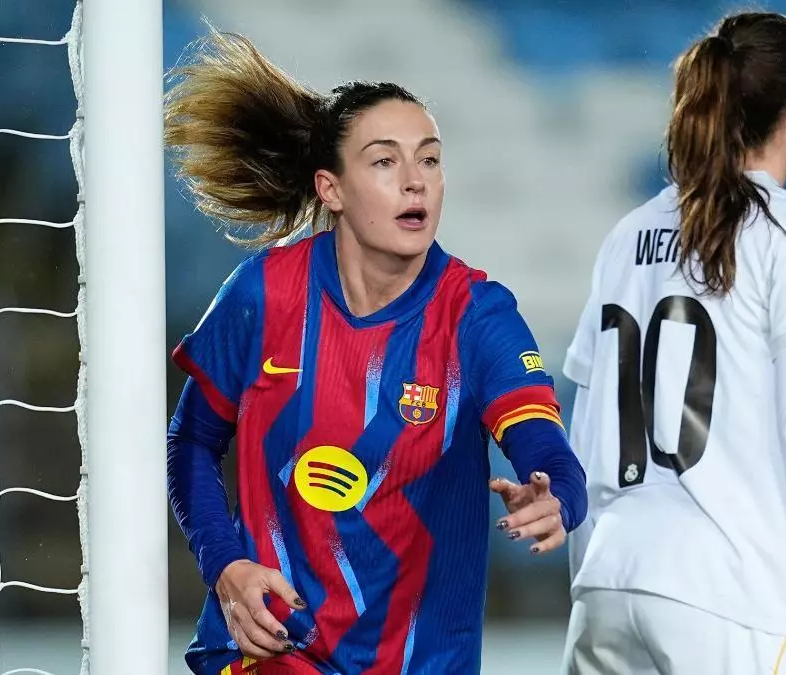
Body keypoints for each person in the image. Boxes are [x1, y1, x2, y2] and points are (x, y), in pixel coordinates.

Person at [163, 30, 587, 675]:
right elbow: (192, 440)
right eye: (385, 162)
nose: (416, 182)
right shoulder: (264, 294)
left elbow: (547, 452)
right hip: (268, 653)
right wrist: (225, 564)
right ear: (331, 189)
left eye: (430, 160)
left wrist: (556, 498)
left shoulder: (476, 316)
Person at [561, 12, 786, 675]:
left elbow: (584, 431)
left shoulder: (627, 234)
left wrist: (594, 578)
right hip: (738, 599)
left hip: (608, 584)